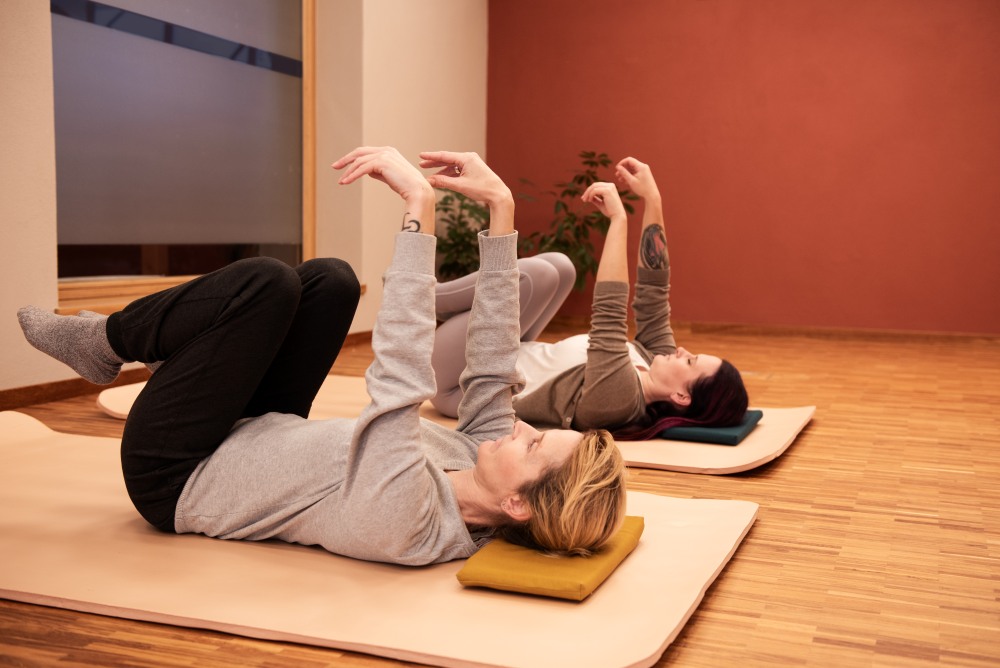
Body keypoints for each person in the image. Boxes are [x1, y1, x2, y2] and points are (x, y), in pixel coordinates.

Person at [16, 146, 626, 566]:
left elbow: (399, 376)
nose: (522, 427)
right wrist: (501, 208)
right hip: (256, 427)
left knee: (263, 282)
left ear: (516, 503)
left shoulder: (407, 520)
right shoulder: (483, 461)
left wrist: (419, 208)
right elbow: (493, 359)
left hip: (177, 470)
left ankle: (106, 343)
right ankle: (152, 348)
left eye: (534, 445)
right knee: (330, 281)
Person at [431, 156, 748, 440]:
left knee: (532, 277)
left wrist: (618, 220)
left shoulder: (619, 400)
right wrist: (653, 199)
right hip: (499, 351)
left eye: (690, 361)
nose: (682, 350)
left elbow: (609, 312)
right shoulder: (652, 363)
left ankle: (420, 296)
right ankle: (426, 297)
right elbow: (653, 292)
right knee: (560, 267)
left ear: (681, 396)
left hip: (463, 379)